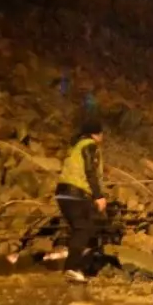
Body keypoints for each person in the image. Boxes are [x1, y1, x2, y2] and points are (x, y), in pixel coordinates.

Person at [56, 120, 106, 283]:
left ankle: (73, 264)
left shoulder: (75, 147)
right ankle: (71, 268)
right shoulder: (90, 146)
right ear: (96, 134)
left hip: (62, 192)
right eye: (101, 133)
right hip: (75, 192)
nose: (103, 136)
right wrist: (99, 196)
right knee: (84, 228)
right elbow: (90, 170)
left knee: (81, 229)